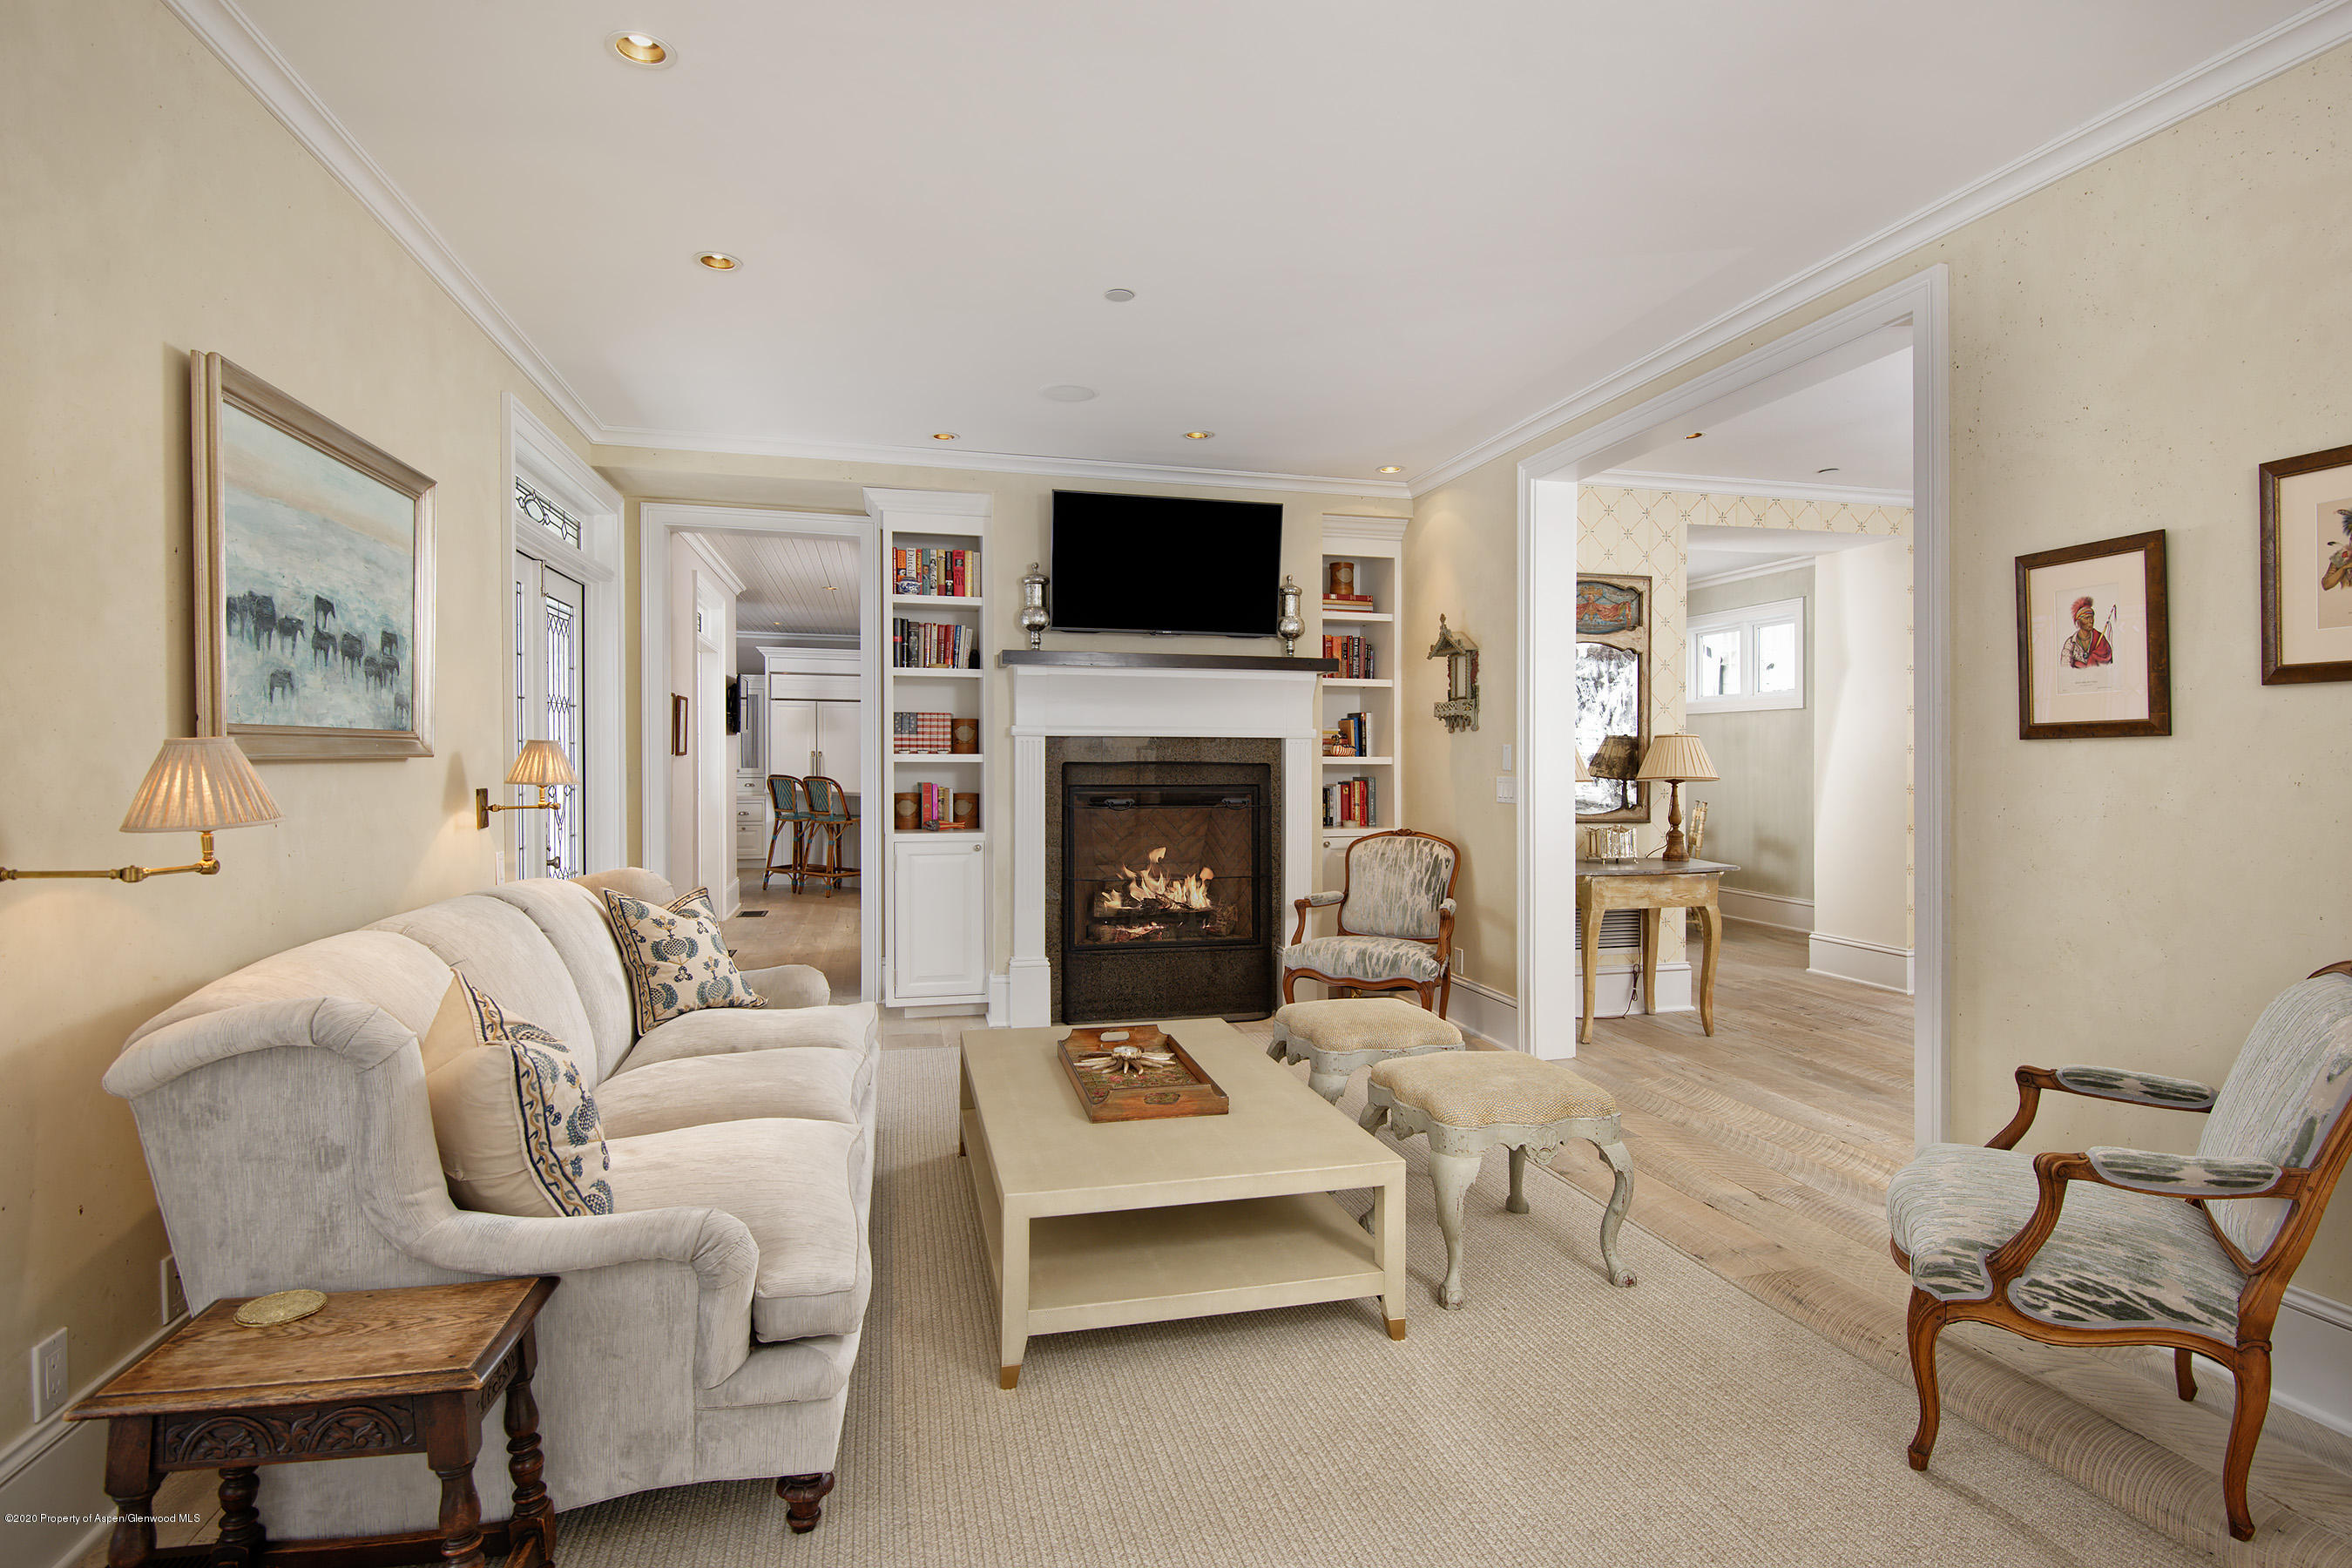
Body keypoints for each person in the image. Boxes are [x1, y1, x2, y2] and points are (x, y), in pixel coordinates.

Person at [2061, 595, 2112, 668]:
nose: (2091, 621)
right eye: (2087, 618)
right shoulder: (2071, 643)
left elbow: (2108, 667)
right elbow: (2065, 668)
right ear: (2079, 621)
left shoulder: (2100, 640)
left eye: (2092, 617)